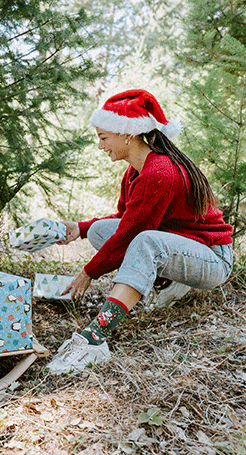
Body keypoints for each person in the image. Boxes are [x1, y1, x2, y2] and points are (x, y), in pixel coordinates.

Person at [46, 89, 234, 375]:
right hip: (185, 244)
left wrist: (89, 272)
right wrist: (81, 229)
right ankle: (167, 283)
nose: (100, 146)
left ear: (126, 134)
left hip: (212, 259)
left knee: (145, 241)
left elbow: (134, 231)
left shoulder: (160, 172)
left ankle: (96, 339)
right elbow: (126, 219)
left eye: (103, 137)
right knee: (100, 230)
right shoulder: (136, 171)